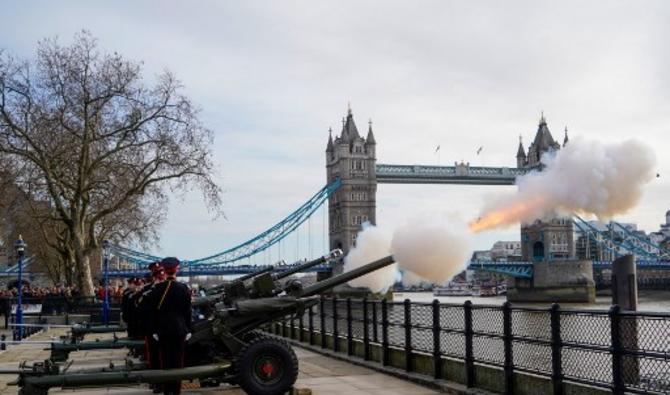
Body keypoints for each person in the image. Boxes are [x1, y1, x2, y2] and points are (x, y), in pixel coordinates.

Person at [146, 257, 191, 395]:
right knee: (177, 362)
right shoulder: (183, 288)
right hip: (179, 330)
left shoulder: (157, 288)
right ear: (176, 270)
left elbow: (152, 312)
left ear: (164, 270)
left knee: (165, 361)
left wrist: (154, 330)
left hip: (163, 330)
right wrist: (188, 329)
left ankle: (167, 391)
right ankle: (176, 391)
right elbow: (187, 311)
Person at [136, 262, 166, 393]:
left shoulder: (169, 288)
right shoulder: (147, 290)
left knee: (167, 356)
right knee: (154, 356)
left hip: (167, 328)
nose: (160, 277)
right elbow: (140, 307)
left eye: (161, 274)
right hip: (152, 328)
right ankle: (156, 382)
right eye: (157, 274)